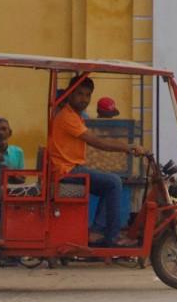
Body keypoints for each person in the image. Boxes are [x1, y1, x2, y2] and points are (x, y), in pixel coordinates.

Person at [50, 75, 146, 246]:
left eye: (87, 95)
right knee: (114, 182)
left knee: (109, 185)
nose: (84, 99)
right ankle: (108, 236)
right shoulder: (68, 117)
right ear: (70, 94)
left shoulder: (75, 115)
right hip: (66, 171)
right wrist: (127, 147)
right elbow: (97, 142)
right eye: (79, 94)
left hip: (72, 168)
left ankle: (99, 232)